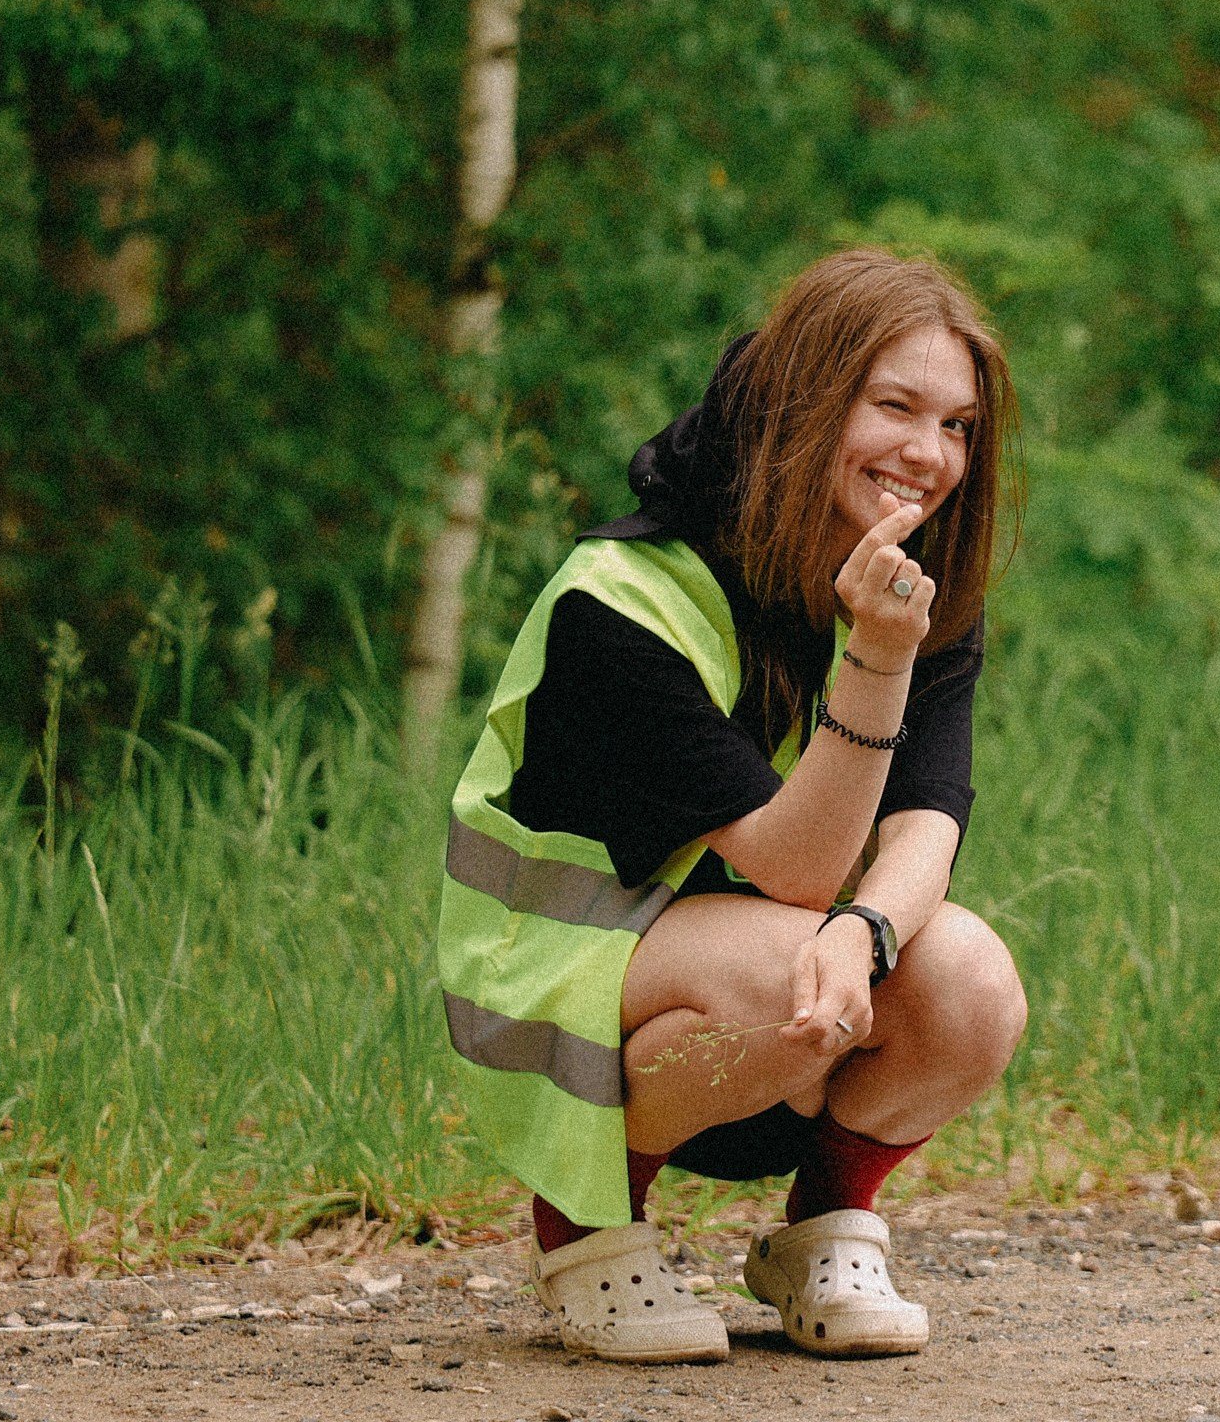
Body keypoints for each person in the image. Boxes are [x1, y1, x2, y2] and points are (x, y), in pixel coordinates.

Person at [436, 248, 1028, 1365]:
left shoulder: (908, 582)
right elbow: (792, 875)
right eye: (895, 407)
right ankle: (587, 1228)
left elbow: (926, 826)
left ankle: (823, 1228)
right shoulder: (622, 603)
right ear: (803, 402)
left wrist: (868, 931)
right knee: (786, 960)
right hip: (552, 993)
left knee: (972, 983)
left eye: (957, 425)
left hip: (762, 974)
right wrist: (876, 664)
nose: (929, 453)